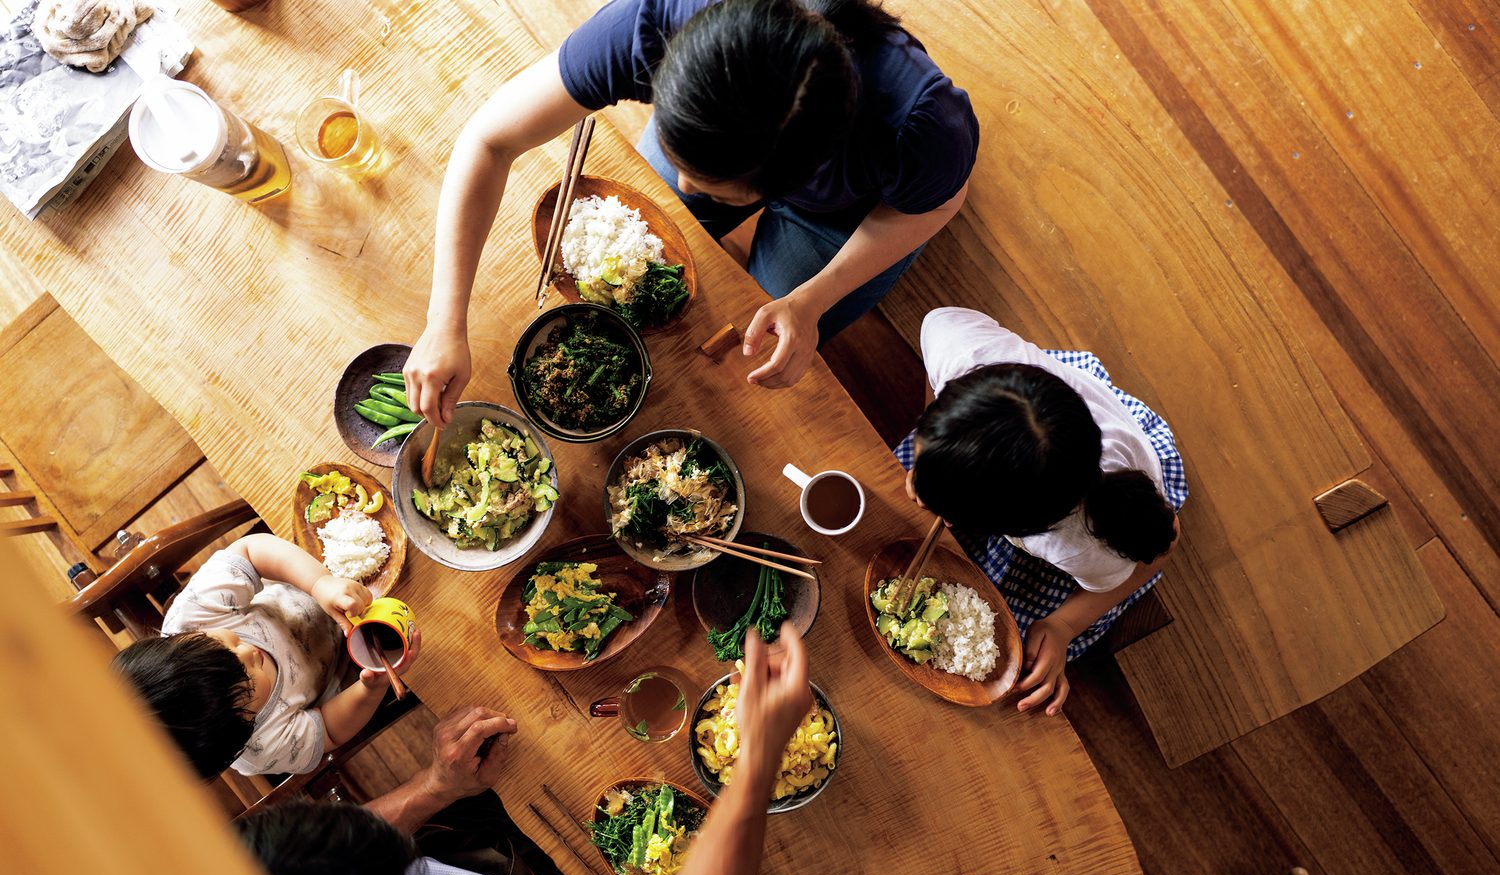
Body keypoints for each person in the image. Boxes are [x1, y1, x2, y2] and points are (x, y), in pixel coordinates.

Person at [405, 0, 979, 423]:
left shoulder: (920, 125)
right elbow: (488, 139)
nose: (683, 185)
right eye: (683, 157)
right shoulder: (660, 22)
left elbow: (936, 206)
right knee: (629, 258)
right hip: (728, 134)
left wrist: (812, 300)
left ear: (795, 178)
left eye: (715, 188)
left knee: (750, 343)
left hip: (844, 216)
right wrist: (444, 322)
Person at [237, 625, 812, 875]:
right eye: (396, 868)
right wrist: (757, 758)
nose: (379, 832)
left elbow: (342, 856)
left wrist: (435, 786)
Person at [899, 307, 1188, 715]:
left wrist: (1063, 625)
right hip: (1047, 415)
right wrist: (930, 461)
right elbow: (936, 370)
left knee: (1011, 640)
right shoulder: (959, 346)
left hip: (1120, 503)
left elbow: (1164, 542)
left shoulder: (1083, 543)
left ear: (1018, 530)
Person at [114, 534, 418, 779]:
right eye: (247, 679)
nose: (249, 652)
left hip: (312, 576)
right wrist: (371, 687)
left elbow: (249, 551)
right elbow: (329, 731)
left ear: (177, 639)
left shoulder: (192, 617)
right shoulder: (261, 748)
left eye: (224, 644)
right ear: (243, 728)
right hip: (360, 656)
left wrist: (319, 583)